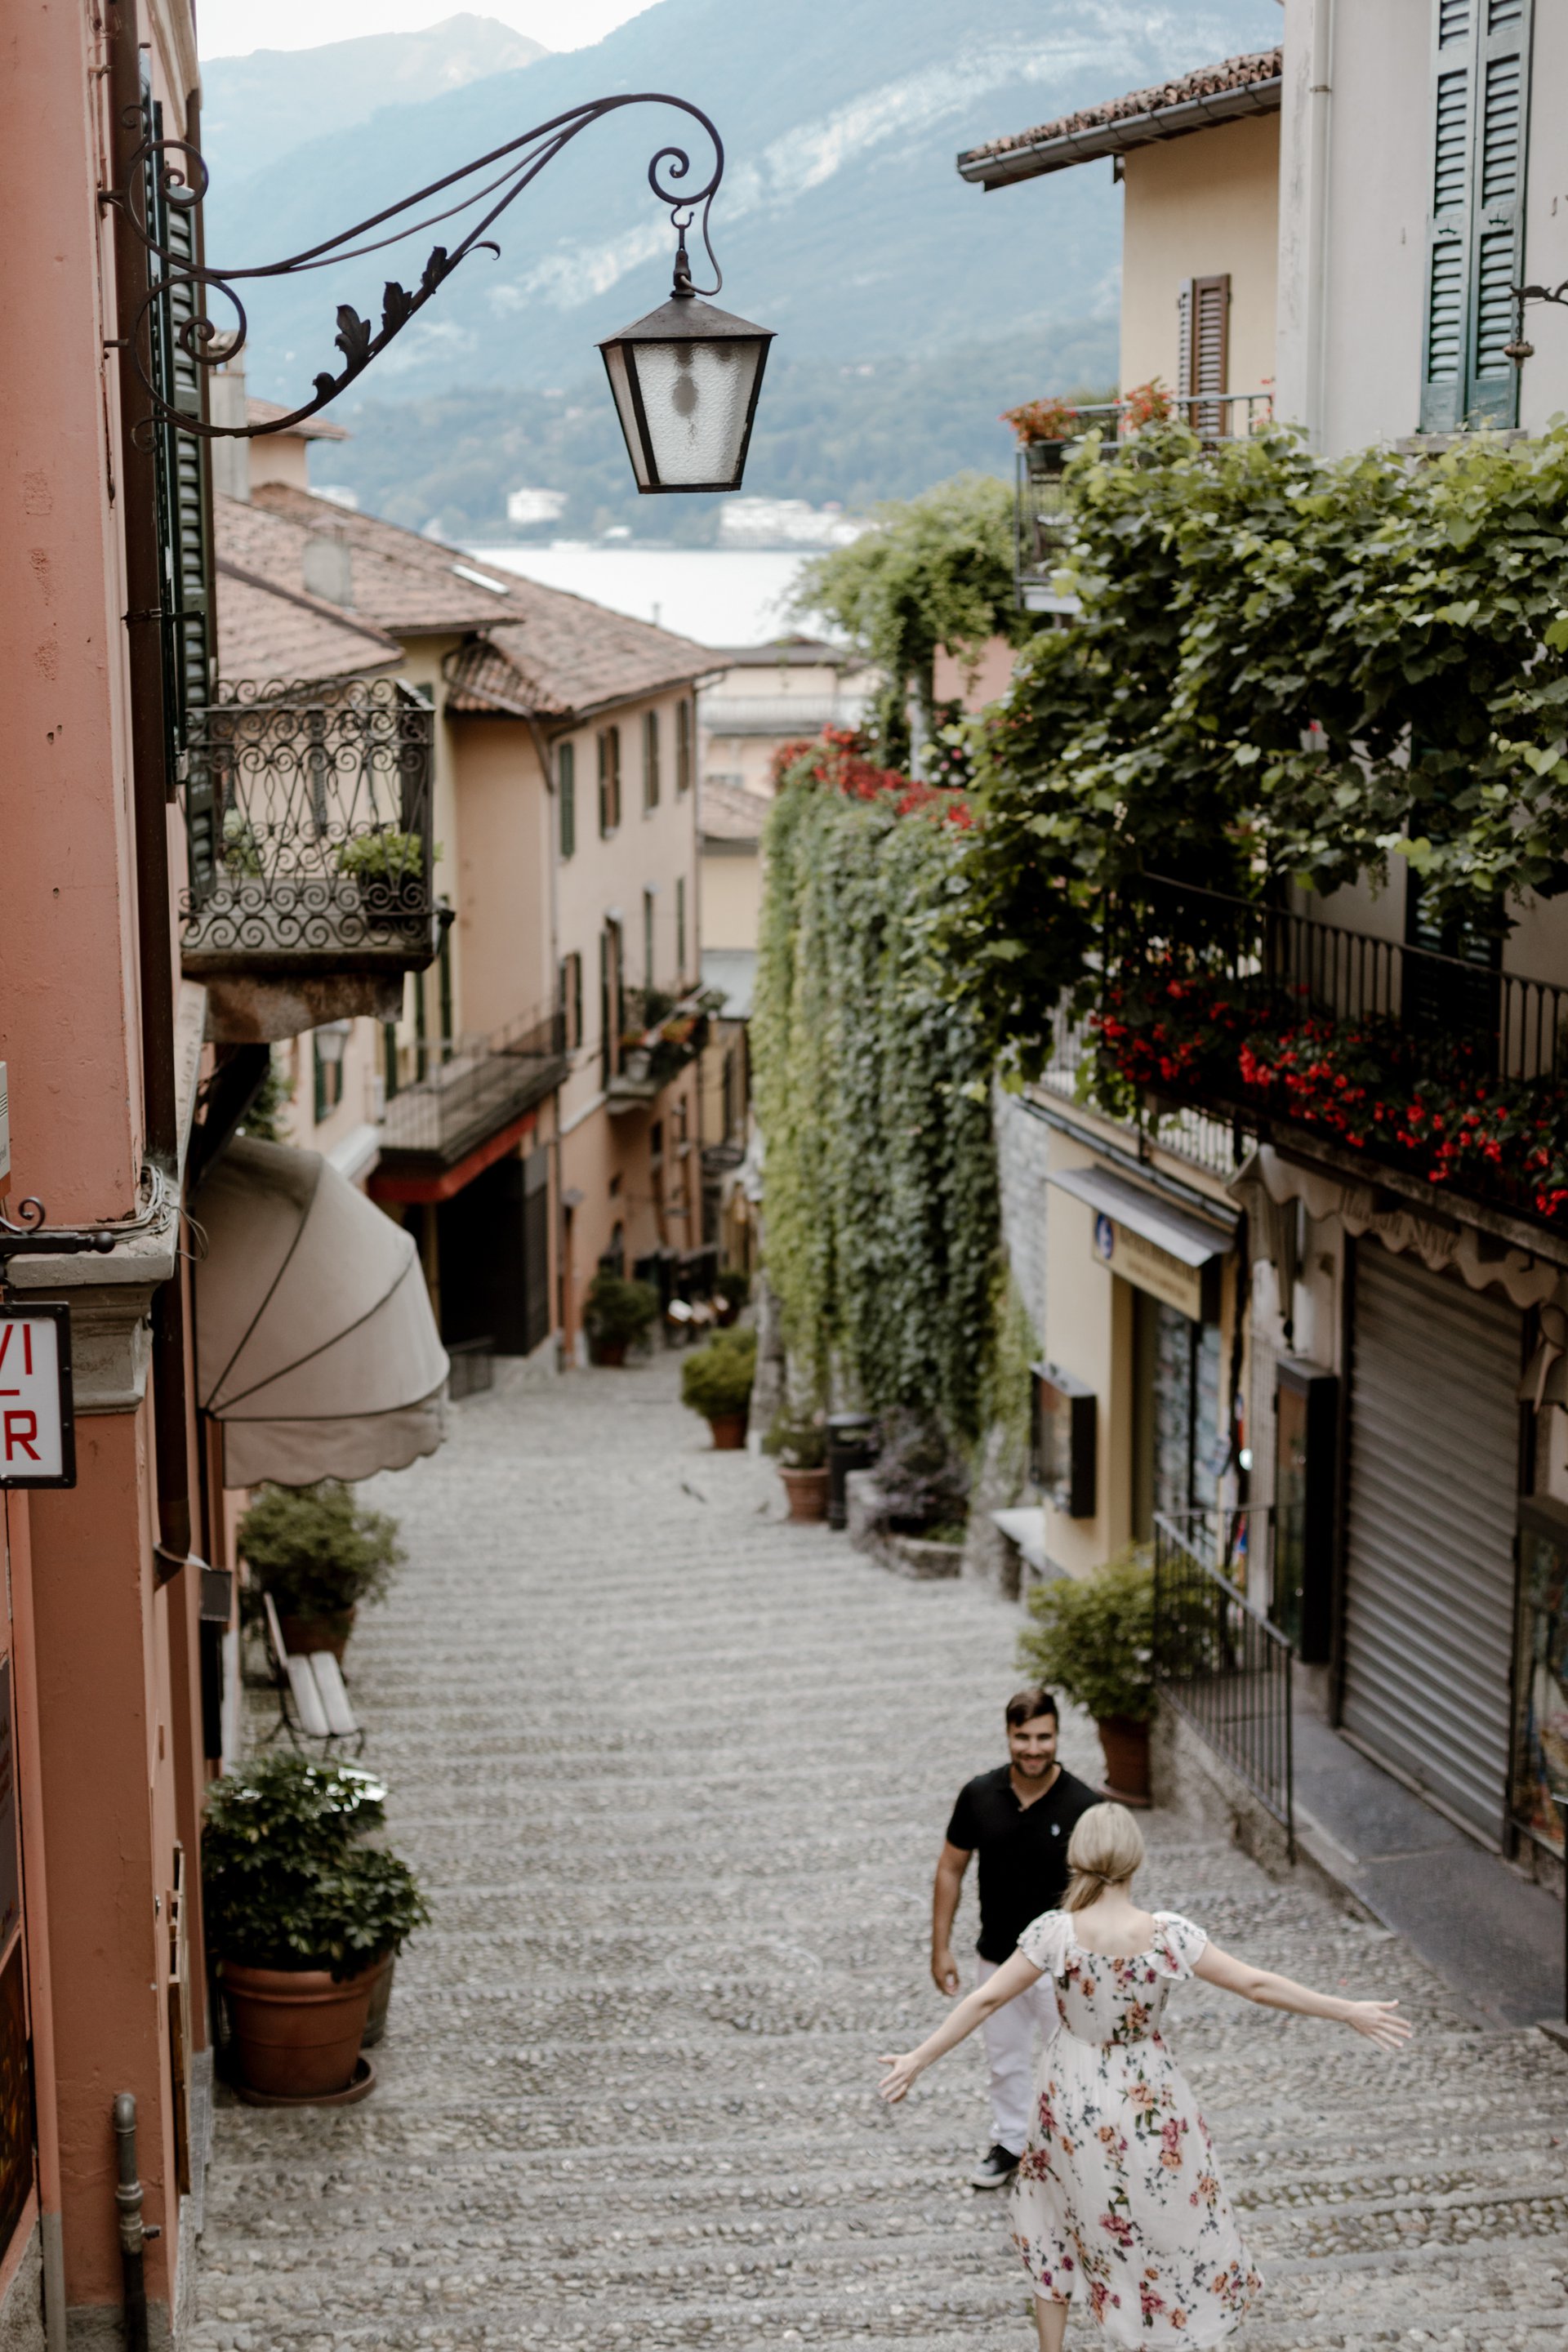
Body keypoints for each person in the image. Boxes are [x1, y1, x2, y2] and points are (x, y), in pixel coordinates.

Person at [884, 1802, 1412, 2351]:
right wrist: (1345, 2010)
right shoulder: (1167, 1935)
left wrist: (917, 2058)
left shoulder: (1055, 1933)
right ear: (1136, 1858)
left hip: (1072, 2096)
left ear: (1078, 1857)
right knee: (1160, 2219)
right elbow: (1255, 1985)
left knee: (1053, 2221)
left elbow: (987, 1998)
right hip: (1148, 2096)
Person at [933, 1686, 1098, 2189]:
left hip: (1062, 1965)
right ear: (1008, 1735)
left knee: (1070, 2065)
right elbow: (950, 1868)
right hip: (998, 1958)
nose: (1033, 1748)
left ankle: (1072, 2156)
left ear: (1057, 1736)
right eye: (1022, 1737)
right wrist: (940, 1947)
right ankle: (1011, 2142)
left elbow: (1101, 1887)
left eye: (1043, 1737)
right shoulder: (978, 1796)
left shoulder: (1084, 1804)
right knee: (1004, 2063)